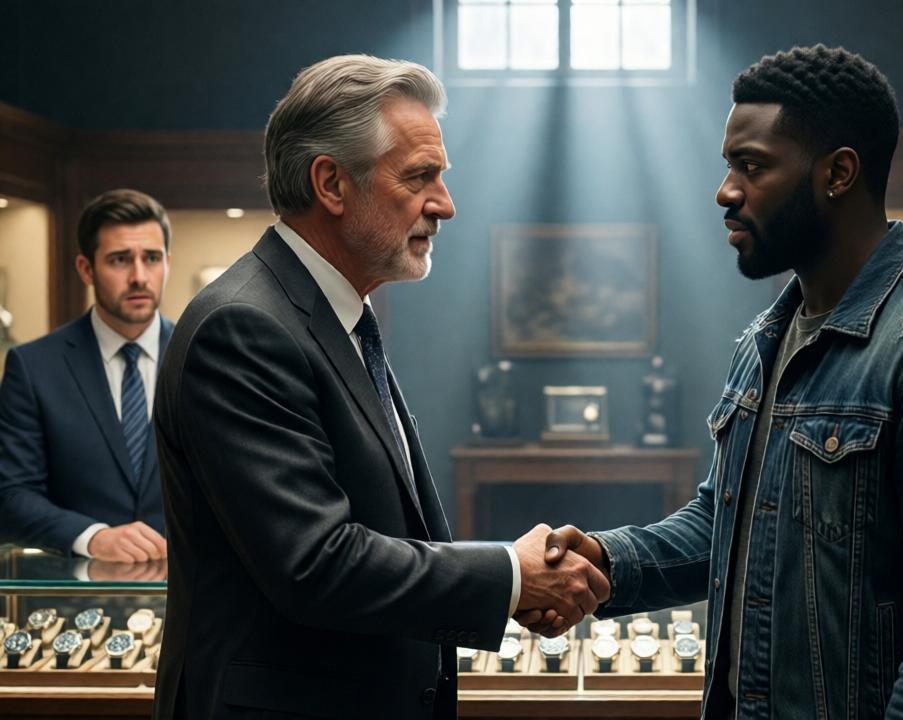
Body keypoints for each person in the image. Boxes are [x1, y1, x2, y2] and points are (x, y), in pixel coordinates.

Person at [520, 44, 903, 719]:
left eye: (753, 166)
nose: (726, 191)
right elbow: (725, 523)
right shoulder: (766, 338)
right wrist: (605, 561)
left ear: (838, 173)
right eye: (729, 165)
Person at [152, 55, 608, 720]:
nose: (445, 204)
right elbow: (316, 563)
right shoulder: (245, 327)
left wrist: (513, 581)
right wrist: (512, 575)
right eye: (420, 177)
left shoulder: (333, 318)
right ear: (331, 183)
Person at [0, 189, 173, 562]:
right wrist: (92, 537)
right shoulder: (33, 367)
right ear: (85, 268)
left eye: (152, 258)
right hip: (76, 589)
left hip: (191, 588)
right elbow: (11, 495)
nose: (139, 276)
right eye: (120, 260)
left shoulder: (206, 357)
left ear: (167, 263)